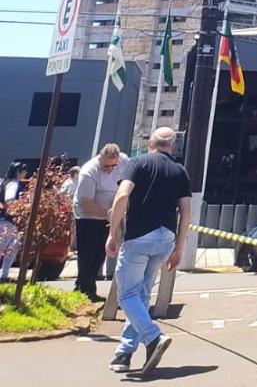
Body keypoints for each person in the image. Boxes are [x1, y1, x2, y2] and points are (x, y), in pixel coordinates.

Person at [106, 127, 191, 376]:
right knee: (141, 294)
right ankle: (125, 351)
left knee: (127, 295)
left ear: (150, 143)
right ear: (172, 147)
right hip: (166, 238)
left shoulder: (138, 163)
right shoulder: (180, 171)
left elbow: (122, 196)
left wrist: (113, 232)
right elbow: (186, 212)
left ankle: (153, 337)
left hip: (139, 236)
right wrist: (179, 247)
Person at [73, 143, 125, 300]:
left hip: (107, 216)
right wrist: (108, 215)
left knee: (100, 254)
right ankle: (83, 288)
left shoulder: (123, 161)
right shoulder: (89, 171)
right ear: (100, 159)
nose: (110, 169)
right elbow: (86, 202)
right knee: (87, 254)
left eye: (113, 165)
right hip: (88, 217)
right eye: (106, 166)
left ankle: (90, 288)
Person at [0, 198, 19, 282]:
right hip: (5, 221)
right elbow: (7, 201)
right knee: (2, 246)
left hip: (11, 222)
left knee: (14, 246)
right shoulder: (12, 185)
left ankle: (4, 276)